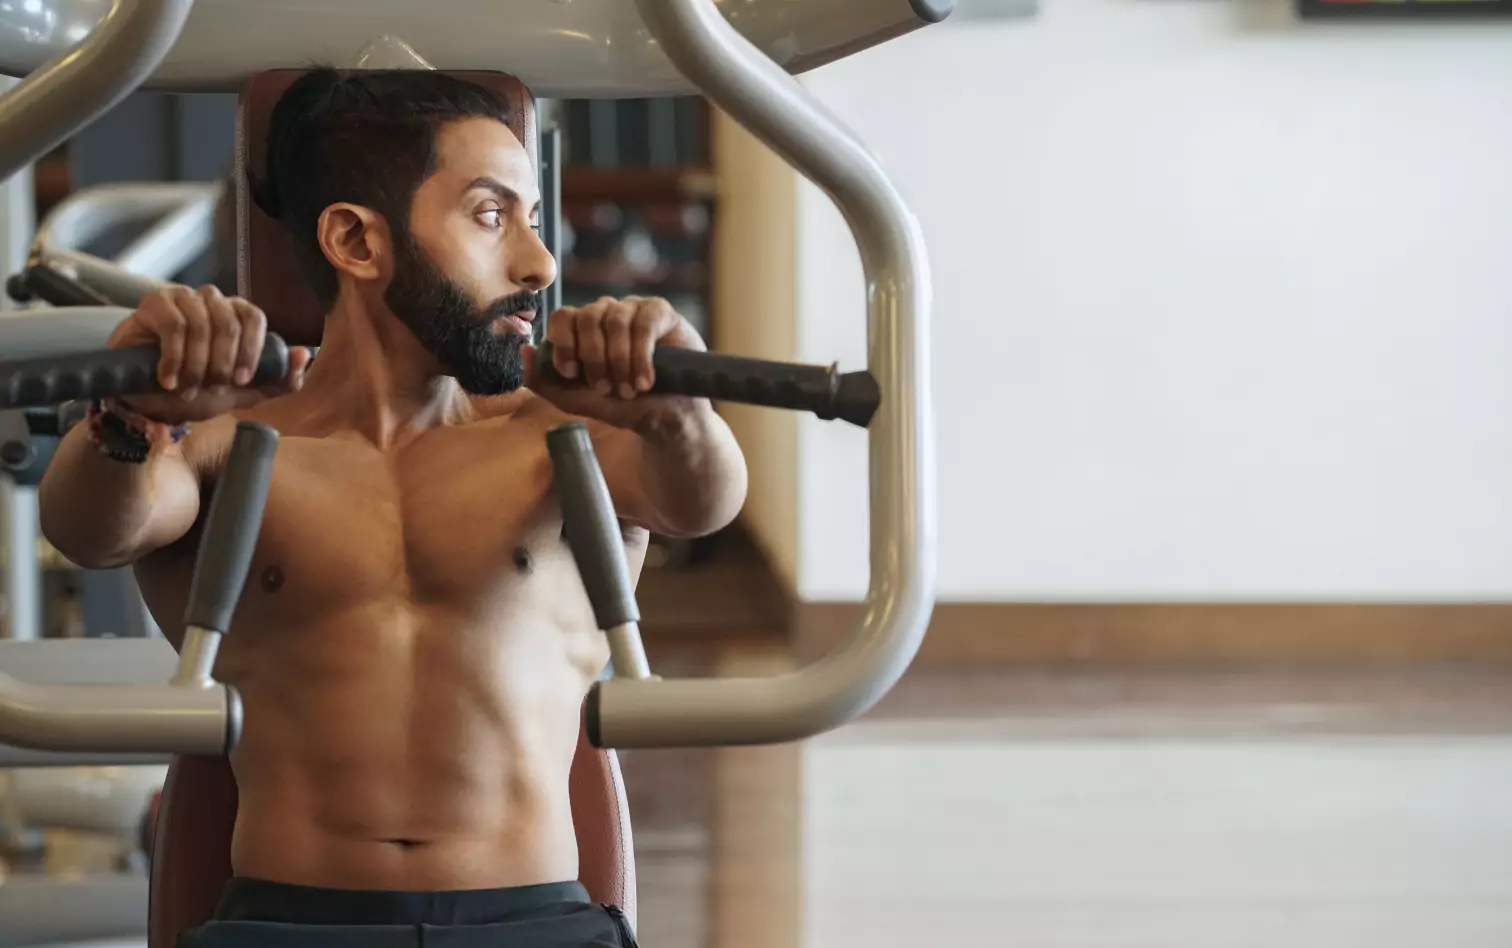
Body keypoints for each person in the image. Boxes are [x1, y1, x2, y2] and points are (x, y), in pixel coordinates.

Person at [37, 69, 747, 948]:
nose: (539, 263)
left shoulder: (562, 443)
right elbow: (92, 527)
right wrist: (132, 417)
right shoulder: (233, 445)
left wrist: (681, 415)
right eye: (493, 216)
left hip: (536, 923)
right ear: (356, 241)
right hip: (290, 925)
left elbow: (702, 499)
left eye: (531, 218)